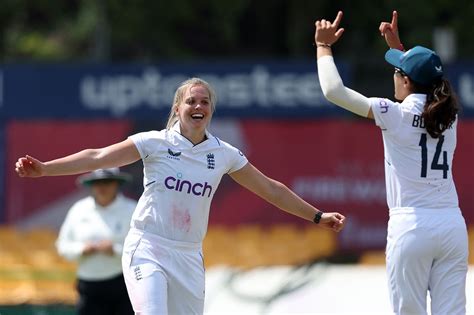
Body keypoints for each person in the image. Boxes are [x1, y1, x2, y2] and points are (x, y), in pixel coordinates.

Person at [15, 77, 346, 315]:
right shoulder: (155, 142)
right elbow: (99, 156)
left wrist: (317, 216)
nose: (198, 106)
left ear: (211, 111)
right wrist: (45, 168)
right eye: (191, 101)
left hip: (188, 256)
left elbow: (271, 189)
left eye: (204, 102)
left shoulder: (224, 153)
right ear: (178, 108)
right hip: (148, 246)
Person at [314, 10, 467, 315]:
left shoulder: (394, 113)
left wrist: (323, 47)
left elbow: (334, 91)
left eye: (397, 71)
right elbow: (424, 85)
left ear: (406, 80)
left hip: (411, 226)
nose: (393, 76)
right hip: (452, 225)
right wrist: (400, 50)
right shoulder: (450, 115)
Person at [56, 167, 136, 315]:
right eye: (97, 182)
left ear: (117, 184)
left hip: (122, 285)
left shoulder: (132, 210)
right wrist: (81, 249)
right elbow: (63, 246)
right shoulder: (79, 209)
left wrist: (115, 250)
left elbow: (142, 248)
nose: (102, 187)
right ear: (91, 185)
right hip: (88, 287)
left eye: (107, 182)